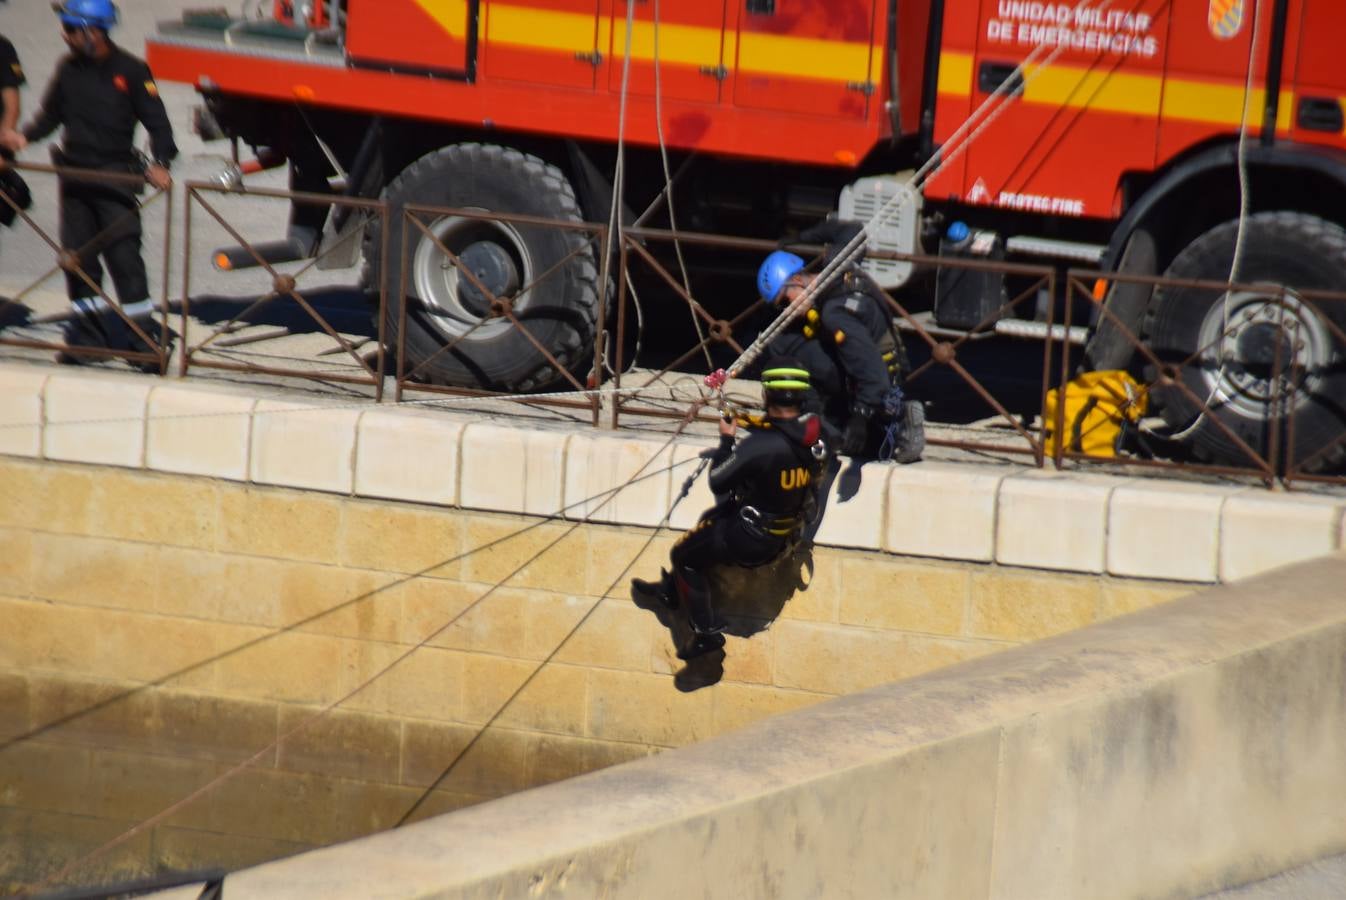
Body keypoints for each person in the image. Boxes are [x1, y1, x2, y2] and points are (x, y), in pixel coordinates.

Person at [1, 0, 177, 367]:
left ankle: (142, 341)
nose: (63, 35)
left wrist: (160, 164)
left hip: (115, 179)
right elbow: (52, 114)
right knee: (77, 262)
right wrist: (24, 137)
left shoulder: (131, 70)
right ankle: (88, 338)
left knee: (125, 260)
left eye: (69, 28)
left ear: (91, 31)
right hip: (75, 179)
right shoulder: (68, 69)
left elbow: (159, 126)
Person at [633, 359, 836, 660]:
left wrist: (727, 441)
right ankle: (671, 590)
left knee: (684, 556)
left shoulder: (761, 446)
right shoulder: (819, 438)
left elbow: (718, 481)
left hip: (750, 541)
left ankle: (706, 633)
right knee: (710, 521)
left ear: (767, 396)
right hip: (786, 535)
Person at [759, 217, 926, 464]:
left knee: (864, 442)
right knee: (781, 343)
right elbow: (853, 231)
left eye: (785, 301)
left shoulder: (835, 314)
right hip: (877, 370)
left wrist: (860, 417)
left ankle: (900, 418)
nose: (787, 311)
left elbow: (872, 372)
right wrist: (803, 237)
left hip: (882, 384)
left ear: (796, 280)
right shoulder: (838, 269)